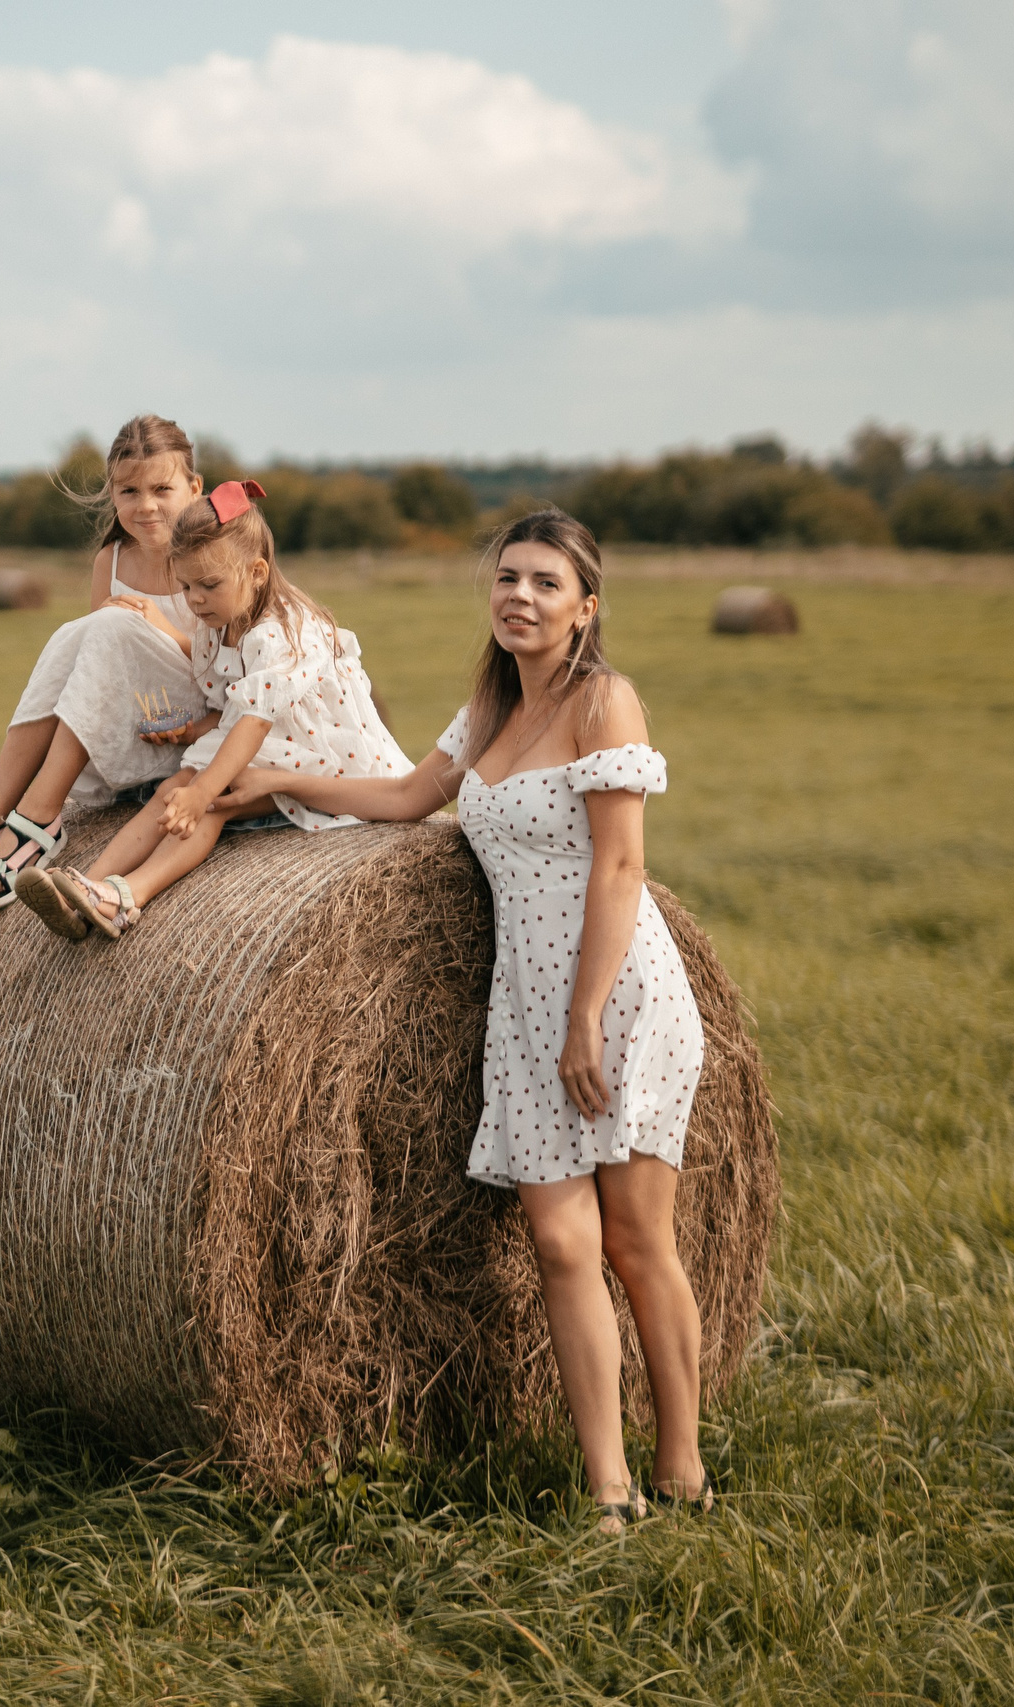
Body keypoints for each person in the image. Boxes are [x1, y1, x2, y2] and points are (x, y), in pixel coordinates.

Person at [218, 507, 709, 1533]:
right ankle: (607, 1489)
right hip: (521, 1006)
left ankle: (681, 1466)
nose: (520, 597)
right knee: (560, 1248)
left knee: (634, 1239)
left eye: (544, 583)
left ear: (585, 607)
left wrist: (582, 1017)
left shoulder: (602, 703)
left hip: (614, 994)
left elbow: (621, 868)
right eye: (508, 580)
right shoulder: (487, 709)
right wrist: (271, 779)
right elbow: (404, 799)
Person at [16, 479, 409, 940]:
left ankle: (130, 896)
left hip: (322, 766)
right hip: (263, 744)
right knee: (172, 789)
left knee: (209, 803)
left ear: (257, 572)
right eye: (184, 586)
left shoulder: (280, 632)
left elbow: (254, 722)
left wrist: (202, 790)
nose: (195, 598)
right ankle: (87, 889)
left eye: (208, 584)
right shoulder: (218, 623)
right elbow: (230, 709)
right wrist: (191, 731)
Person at [0, 414, 211, 921]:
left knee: (109, 627)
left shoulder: (215, 555)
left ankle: (39, 817)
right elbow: (98, 673)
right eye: (129, 491)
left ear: (195, 488)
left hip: (191, 730)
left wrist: (162, 628)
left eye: (161, 489)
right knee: (76, 633)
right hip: (137, 731)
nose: (145, 505)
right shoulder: (109, 559)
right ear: (112, 493)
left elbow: (238, 667)